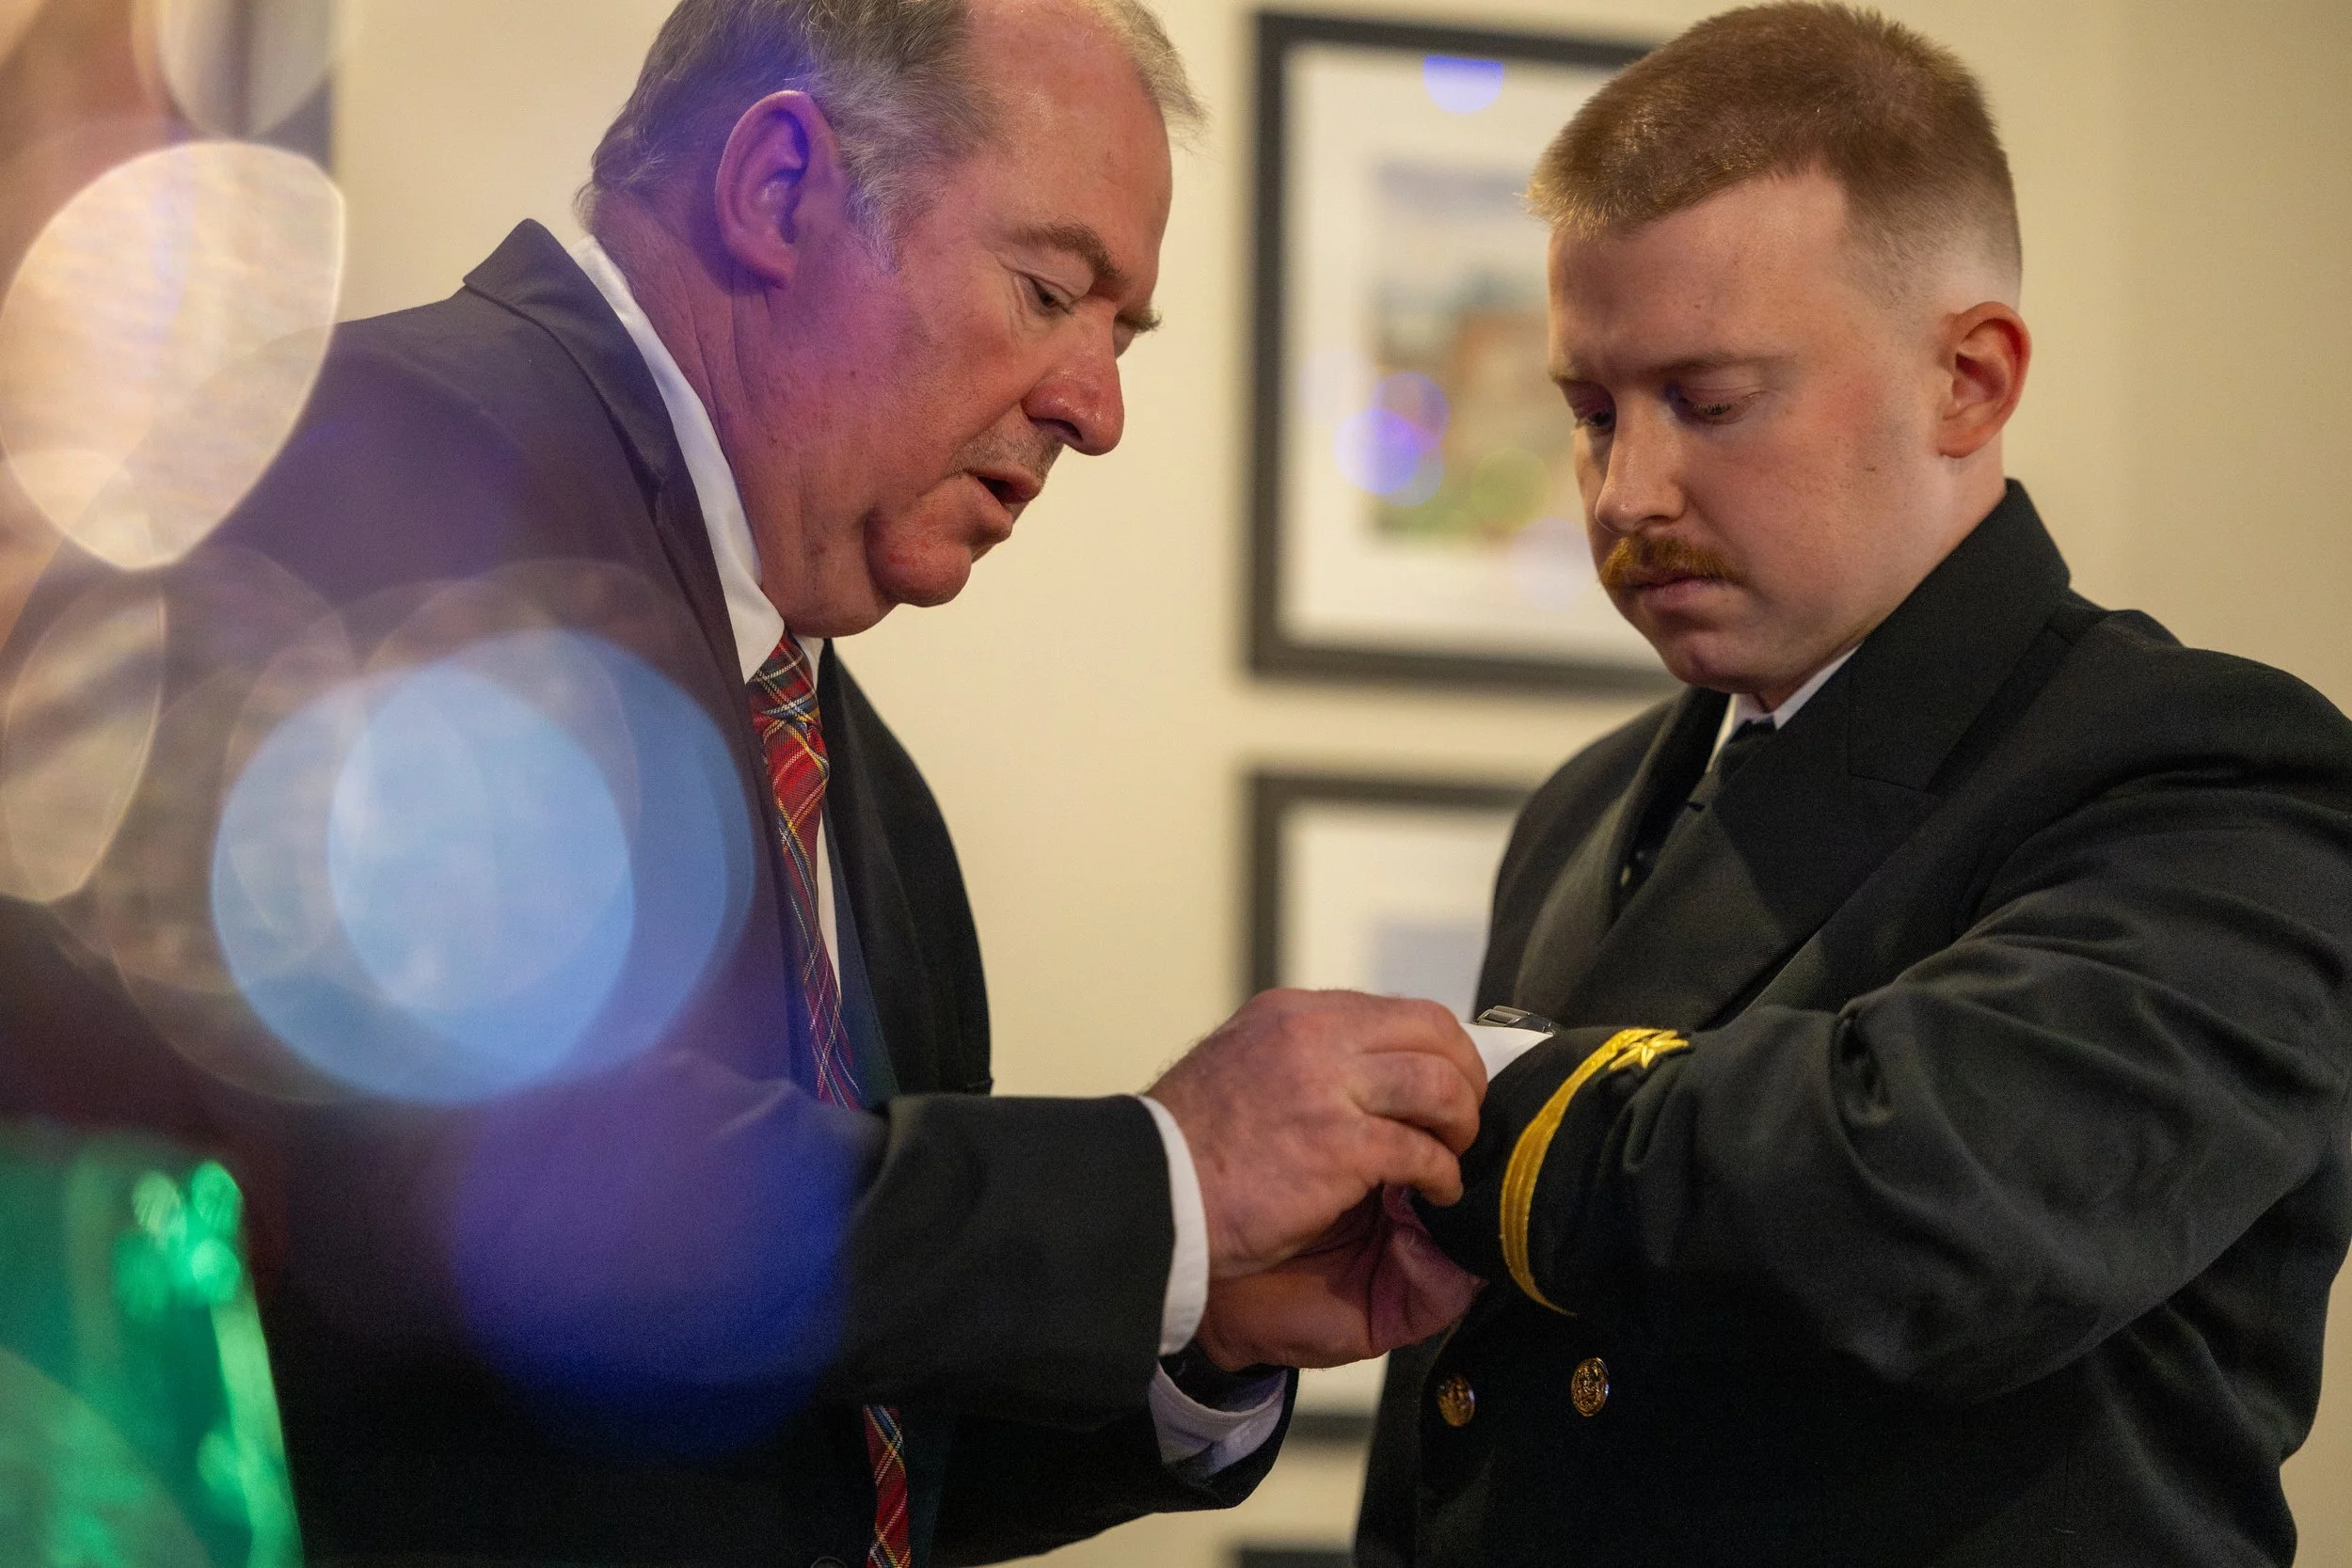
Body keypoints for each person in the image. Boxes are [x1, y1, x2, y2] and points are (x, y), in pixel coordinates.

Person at [0, 0, 1485, 1563]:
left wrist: (1198, 1317)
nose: (1097, 410)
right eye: (1051, 291)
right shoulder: (371, 453)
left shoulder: (869, 790)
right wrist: (1159, 1181)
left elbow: (842, 1446)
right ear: (776, 186)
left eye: (1120, 336)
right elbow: (475, 1195)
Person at [1357, 6, 2352, 1566]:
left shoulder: (2214, 773)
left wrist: (1418, 1115)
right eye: (1592, 411)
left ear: (1968, 378)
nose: (1626, 491)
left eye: (1709, 398)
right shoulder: (1588, 805)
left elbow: (1934, 1202)